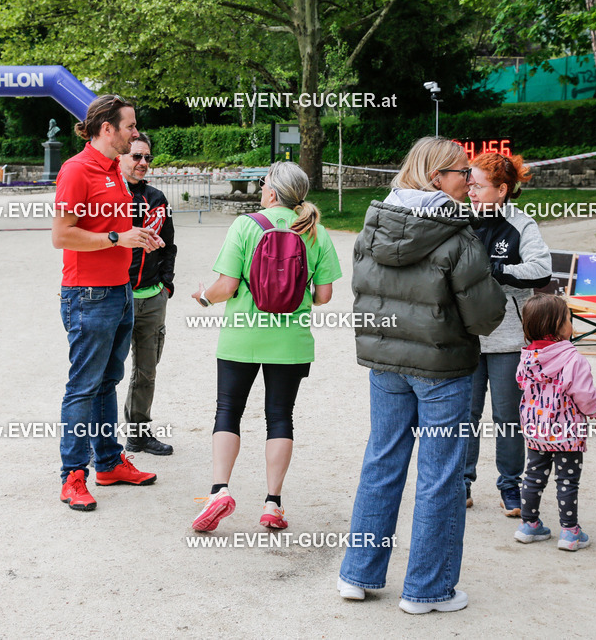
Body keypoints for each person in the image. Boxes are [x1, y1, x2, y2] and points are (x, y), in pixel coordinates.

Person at [337, 136, 506, 613]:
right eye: (462, 173)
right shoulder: (458, 234)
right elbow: (484, 317)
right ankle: (428, 589)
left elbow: (365, 294)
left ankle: (358, 573)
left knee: (382, 461)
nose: (470, 180)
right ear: (438, 179)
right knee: (441, 475)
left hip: (386, 363)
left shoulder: (374, 223)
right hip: (442, 367)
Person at [190, 161, 341, 532]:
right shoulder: (316, 232)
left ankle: (219, 491)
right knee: (280, 416)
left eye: (263, 184)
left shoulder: (245, 225)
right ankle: (272, 504)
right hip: (290, 342)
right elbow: (324, 296)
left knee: (228, 411)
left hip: (242, 335)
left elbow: (225, 286)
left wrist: (204, 299)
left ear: (272, 191)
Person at [52, 94, 165, 512]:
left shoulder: (115, 171)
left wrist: (139, 234)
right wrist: (118, 239)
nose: (136, 134)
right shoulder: (76, 171)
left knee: (106, 382)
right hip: (88, 295)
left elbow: (112, 226)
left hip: (121, 291)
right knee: (83, 386)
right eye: (130, 127)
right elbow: (62, 235)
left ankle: (109, 461)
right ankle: (73, 475)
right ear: (107, 129)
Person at [463, 153, 552, 515]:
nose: (470, 191)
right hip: (464, 337)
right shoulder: (458, 219)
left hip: (507, 340)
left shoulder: (521, 224)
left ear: (501, 190)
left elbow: (541, 270)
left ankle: (510, 487)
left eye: (478, 186)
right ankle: (461, 483)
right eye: (468, 184)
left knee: (508, 418)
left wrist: (493, 269)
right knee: (463, 417)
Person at [513, 293, 596, 551]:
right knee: (567, 480)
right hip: (566, 433)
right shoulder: (573, 359)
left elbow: (521, 382)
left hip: (536, 429)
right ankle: (570, 532)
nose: (571, 323)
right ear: (557, 327)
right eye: (568, 319)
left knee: (533, 476)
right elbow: (585, 394)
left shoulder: (527, 358)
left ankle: (528, 525)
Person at [119, 133, 177, 455]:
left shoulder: (157, 198)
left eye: (147, 158)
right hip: (116, 297)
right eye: (136, 157)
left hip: (153, 298)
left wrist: (166, 285)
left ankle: (138, 435)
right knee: (104, 371)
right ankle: (90, 442)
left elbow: (169, 244)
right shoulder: (109, 196)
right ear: (120, 157)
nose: (143, 163)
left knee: (146, 371)